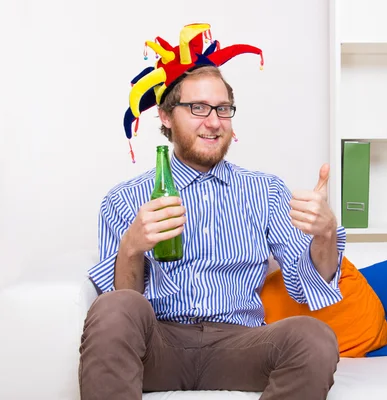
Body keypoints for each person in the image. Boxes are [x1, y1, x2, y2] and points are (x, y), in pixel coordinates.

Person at [78, 23, 346, 400]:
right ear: (167, 118)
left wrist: (325, 233)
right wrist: (132, 247)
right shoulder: (125, 199)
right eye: (198, 108)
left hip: (241, 344)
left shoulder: (265, 191)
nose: (214, 121)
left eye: (222, 108)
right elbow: (123, 305)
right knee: (114, 308)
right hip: (159, 344)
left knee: (314, 337)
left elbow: (306, 286)